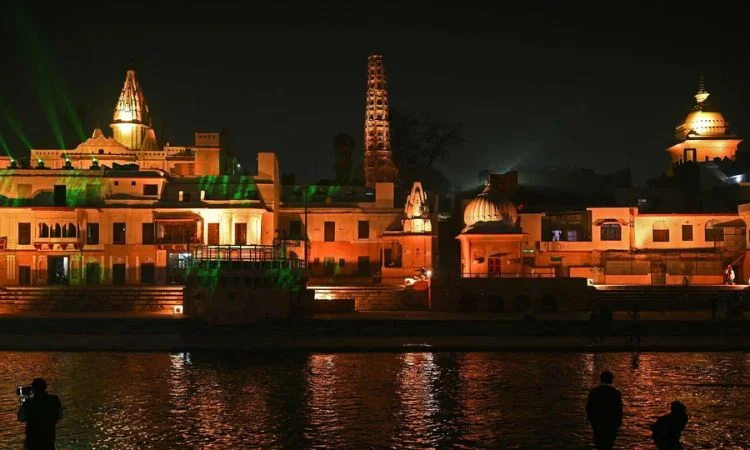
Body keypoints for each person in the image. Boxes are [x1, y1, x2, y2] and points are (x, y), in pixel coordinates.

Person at [17, 378, 63, 450]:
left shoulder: (29, 402)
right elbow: (60, 416)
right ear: (45, 387)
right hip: (48, 439)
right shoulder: (54, 400)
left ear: (33, 388)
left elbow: (21, 418)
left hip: (32, 441)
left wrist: (25, 401)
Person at [586, 370, 623, 450]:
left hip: (597, 421)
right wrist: (618, 422)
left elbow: (589, 406)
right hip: (611, 422)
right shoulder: (616, 393)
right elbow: (618, 409)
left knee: (599, 442)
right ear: (611, 380)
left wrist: (590, 418)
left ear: (601, 379)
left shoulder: (594, 391)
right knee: (609, 443)